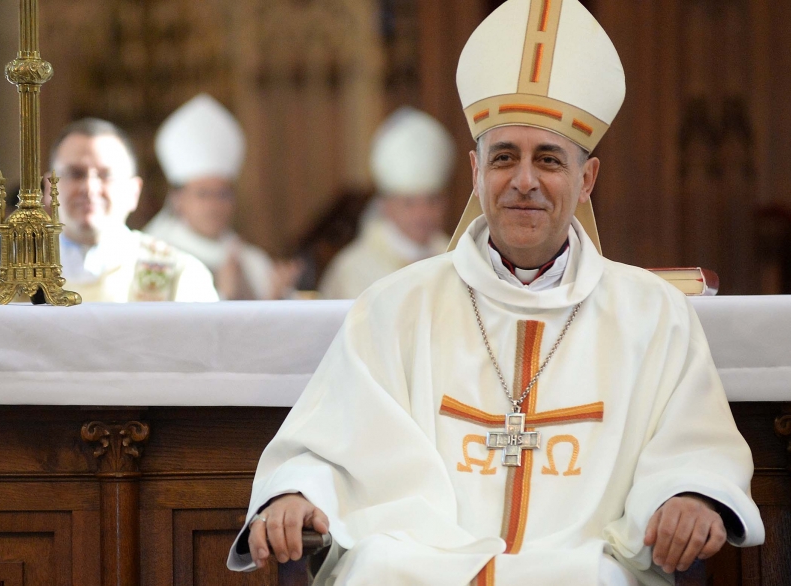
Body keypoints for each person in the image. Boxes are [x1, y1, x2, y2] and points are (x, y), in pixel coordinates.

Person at [227, 1, 764, 584]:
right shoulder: (396, 305)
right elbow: (327, 446)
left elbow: (695, 447)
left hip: (581, 565)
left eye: (549, 160)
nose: (524, 181)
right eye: (504, 157)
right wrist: (295, 494)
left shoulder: (652, 314)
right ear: (476, 173)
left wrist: (689, 495)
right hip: (423, 563)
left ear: (587, 181)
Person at [0, 118, 218, 303]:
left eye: (106, 175)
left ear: (133, 192)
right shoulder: (1, 286)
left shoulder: (181, 276)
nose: (89, 188)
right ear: (48, 189)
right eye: (75, 174)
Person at [146, 94, 299, 300]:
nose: (214, 205)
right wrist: (224, 294)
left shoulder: (250, 260)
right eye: (203, 194)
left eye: (223, 194)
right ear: (177, 199)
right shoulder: (154, 256)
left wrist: (277, 297)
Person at [318, 106, 455, 299]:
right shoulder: (354, 269)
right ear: (385, 205)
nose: (423, 212)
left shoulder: (458, 259)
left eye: (433, 201)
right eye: (409, 203)